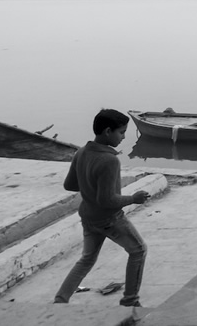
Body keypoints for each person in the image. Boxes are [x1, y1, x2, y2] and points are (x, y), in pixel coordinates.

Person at [54, 109, 149, 307]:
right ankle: (130, 300)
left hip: (88, 217)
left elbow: (70, 185)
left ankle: (61, 300)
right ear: (108, 131)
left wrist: (90, 183)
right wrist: (134, 198)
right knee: (138, 250)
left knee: (87, 259)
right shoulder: (109, 160)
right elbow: (107, 201)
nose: (123, 137)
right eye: (121, 132)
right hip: (110, 219)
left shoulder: (82, 152)